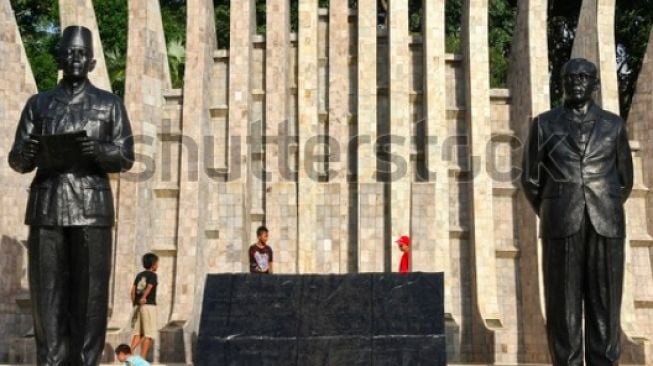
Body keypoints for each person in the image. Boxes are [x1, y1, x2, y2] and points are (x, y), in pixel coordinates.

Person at [8, 25, 134, 365]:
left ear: (92, 61)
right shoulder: (39, 104)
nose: (75, 58)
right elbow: (16, 160)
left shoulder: (109, 105)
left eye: (81, 53)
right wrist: (30, 150)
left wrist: (98, 150)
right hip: (47, 206)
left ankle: (85, 361)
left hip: (92, 208)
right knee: (46, 294)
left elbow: (125, 156)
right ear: (59, 58)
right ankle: (49, 360)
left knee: (90, 295)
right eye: (69, 52)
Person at [521, 58, 633, 365]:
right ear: (562, 83)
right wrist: (551, 208)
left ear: (595, 85)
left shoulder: (614, 125)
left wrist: (604, 203)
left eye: (583, 77)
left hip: (606, 222)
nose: (576, 82)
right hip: (560, 221)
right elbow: (530, 179)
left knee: (605, 302)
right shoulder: (544, 123)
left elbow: (625, 180)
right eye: (570, 77)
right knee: (563, 304)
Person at [130, 253, 159, 359]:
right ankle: (142, 360)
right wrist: (144, 297)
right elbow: (150, 287)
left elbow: (132, 291)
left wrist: (135, 303)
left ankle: (128, 355)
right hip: (148, 306)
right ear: (153, 264)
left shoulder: (139, 275)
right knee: (148, 334)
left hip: (138, 307)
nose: (158, 265)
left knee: (138, 333)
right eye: (157, 263)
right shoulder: (153, 275)